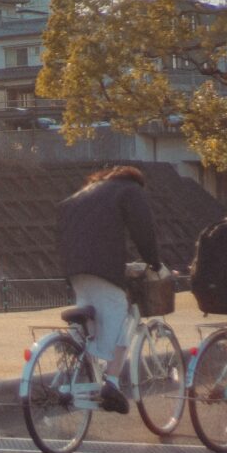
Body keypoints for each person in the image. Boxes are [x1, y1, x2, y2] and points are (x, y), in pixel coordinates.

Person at [57, 164, 164, 414]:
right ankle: (112, 382)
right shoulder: (130, 190)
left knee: (89, 321)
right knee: (121, 316)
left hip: (74, 268)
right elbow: (143, 230)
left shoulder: (85, 193)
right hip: (103, 268)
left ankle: (70, 375)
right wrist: (154, 262)